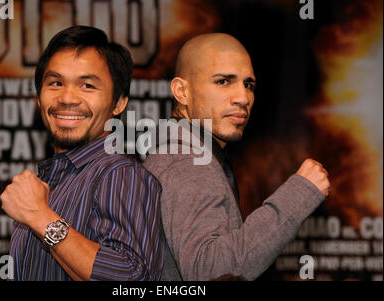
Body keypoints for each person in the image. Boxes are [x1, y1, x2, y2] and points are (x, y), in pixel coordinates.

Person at [142, 33, 331, 281]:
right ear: (181, 91)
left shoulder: (184, 151)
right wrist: (300, 193)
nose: (243, 98)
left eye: (248, 85)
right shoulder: (187, 160)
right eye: (223, 82)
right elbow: (209, 273)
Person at [0, 26, 165, 281]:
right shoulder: (49, 184)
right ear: (39, 97)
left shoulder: (119, 174)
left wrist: (39, 215)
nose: (67, 98)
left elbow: (131, 278)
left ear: (118, 103)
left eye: (87, 85)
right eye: (55, 83)